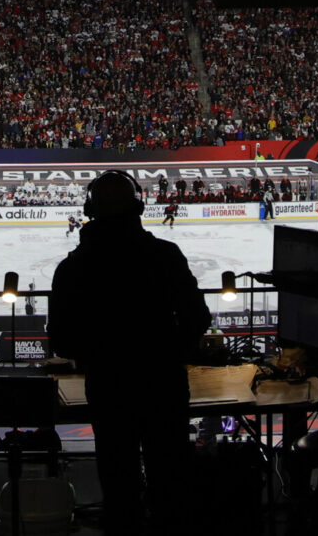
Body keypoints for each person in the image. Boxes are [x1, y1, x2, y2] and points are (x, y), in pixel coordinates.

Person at [47, 171, 211, 535]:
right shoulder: (165, 256)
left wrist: (98, 354)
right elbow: (197, 318)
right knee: (170, 482)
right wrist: (167, 350)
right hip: (163, 384)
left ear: (90, 210)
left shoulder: (73, 267)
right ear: (139, 206)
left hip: (108, 388)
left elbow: (61, 339)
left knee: (119, 483)